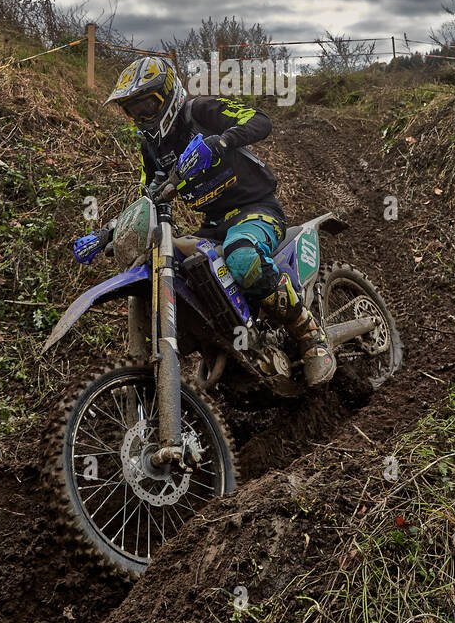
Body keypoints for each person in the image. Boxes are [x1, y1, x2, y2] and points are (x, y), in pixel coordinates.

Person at [104, 54, 335, 386]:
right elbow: (147, 196)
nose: (141, 117)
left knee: (242, 257)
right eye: (133, 111)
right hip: (214, 225)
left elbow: (260, 120)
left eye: (147, 107)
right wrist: (109, 230)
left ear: (168, 95)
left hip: (256, 209)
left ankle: (309, 332)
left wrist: (221, 141)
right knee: (182, 270)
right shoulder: (151, 146)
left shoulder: (199, 111)